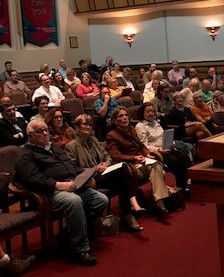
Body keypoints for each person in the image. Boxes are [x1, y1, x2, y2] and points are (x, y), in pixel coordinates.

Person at [15, 120, 108, 266]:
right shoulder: (26, 154)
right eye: (40, 131)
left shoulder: (55, 148)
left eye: (46, 130)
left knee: (101, 200)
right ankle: (80, 249)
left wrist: (86, 174)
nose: (45, 133)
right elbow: (31, 179)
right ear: (30, 136)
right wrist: (58, 185)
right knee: (74, 202)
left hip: (73, 184)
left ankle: (66, 236)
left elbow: (71, 167)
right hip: (50, 193)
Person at [66, 114, 144, 232]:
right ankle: (131, 207)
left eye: (90, 125)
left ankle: (128, 214)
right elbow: (72, 168)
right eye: (84, 124)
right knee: (123, 169)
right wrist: (95, 169)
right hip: (89, 178)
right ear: (77, 127)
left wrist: (106, 164)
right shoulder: (71, 146)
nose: (88, 127)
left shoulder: (94, 140)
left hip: (102, 173)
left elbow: (107, 155)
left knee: (123, 177)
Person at [105, 107, 169, 217]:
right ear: (115, 121)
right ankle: (159, 204)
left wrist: (147, 153)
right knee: (158, 170)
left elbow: (141, 145)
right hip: (129, 164)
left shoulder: (131, 129)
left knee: (156, 165)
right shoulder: (112, 135)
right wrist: (134, 158)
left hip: (141, 160)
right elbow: (115, 156)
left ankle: (159, 203)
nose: (125, 118)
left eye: (126, 115)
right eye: (121, 116)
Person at [135, 103, 193, 191]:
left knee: (184, 155)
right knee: (175, 161)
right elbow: (144, 145)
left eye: (152, 111)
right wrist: (159, 149)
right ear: (142, 113)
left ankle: (185, 183)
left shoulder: (156, 122)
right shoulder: (140, 126)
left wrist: (170, 142)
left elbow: (163, 136)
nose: (151, 113)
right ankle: (182, 186)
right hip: (156, 152)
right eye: (148, 112)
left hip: (166, 146)